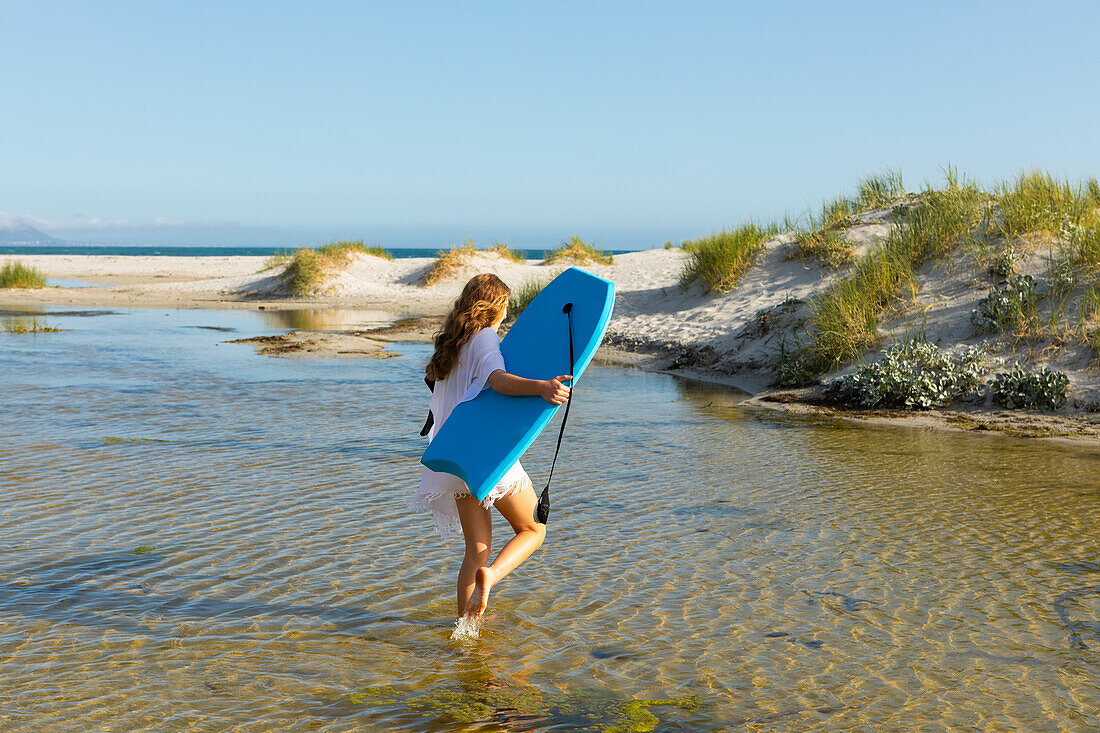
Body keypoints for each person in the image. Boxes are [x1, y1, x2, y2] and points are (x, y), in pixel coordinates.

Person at [415, 273, 571, 623]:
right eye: (506, 307)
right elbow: (497, 381)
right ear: (496, 307)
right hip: (485, 454)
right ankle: (494, 576)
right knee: (533, 529)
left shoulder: (451, 346)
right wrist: (542, 388)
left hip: (453, 455)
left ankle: (466, 634)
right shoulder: (485, 338)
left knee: (475, 552)